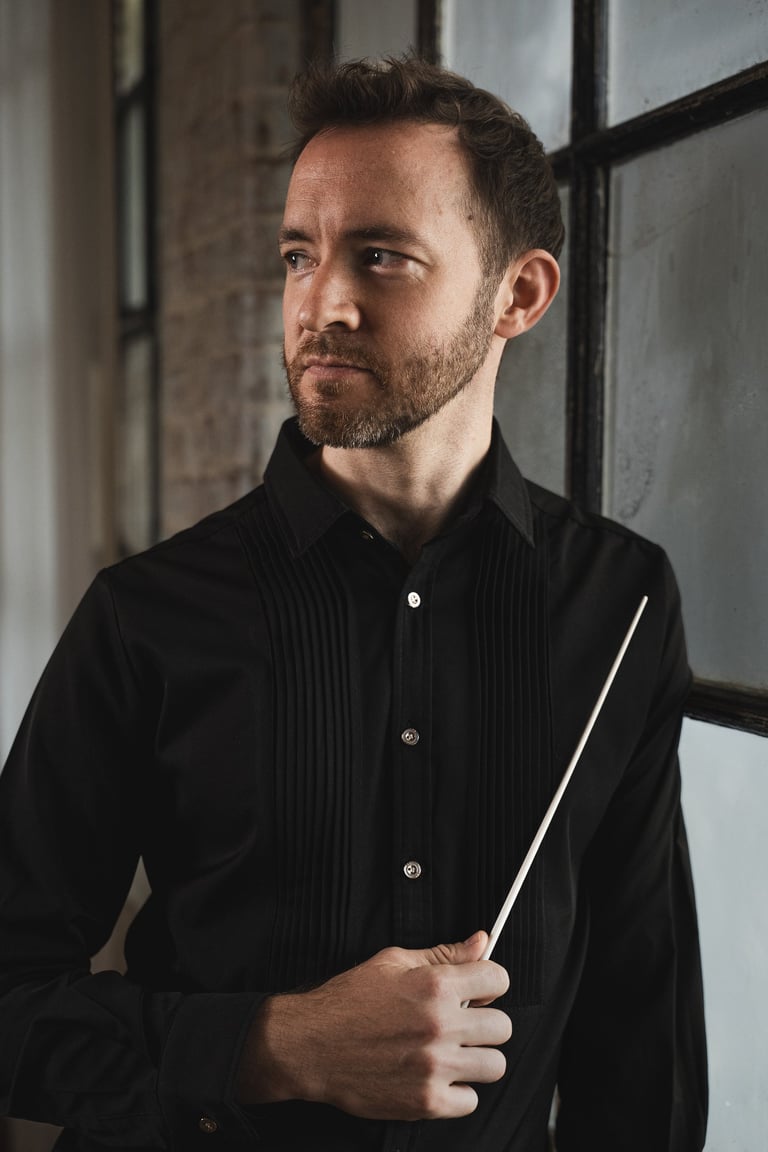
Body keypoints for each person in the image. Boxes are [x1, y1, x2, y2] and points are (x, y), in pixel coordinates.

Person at [0, 56, 707, 1152]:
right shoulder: (146, 615)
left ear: (518, 294)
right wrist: (274, 1045)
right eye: (300, 255)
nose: (320, 303)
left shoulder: (620, 602)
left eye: (381, 256)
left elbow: (640, 1038)